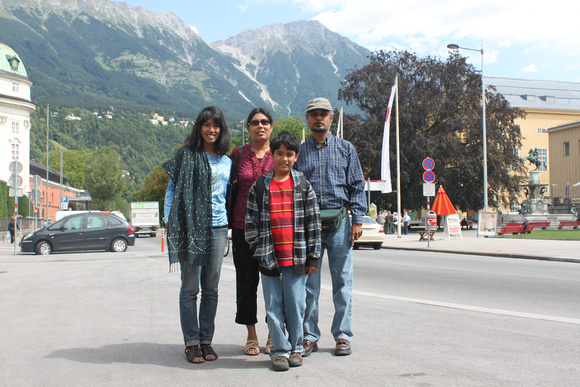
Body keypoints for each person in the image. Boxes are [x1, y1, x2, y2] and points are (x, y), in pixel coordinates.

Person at [295, 97, 367, 357]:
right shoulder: (298, 152)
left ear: (331, 118)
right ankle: (309, 336)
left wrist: (358, 220)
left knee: (343, 282)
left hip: (340, 223)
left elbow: (357, 185)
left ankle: (343, 336)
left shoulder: (346, 148)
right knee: (308, 285)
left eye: (324, 113)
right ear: (307, 118)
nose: (319, 118)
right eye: (313, 114)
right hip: (309, 226)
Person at [245, 131, 321, 371]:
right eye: (280, 154)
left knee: (297, 304)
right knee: (273, 305)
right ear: (272, 155)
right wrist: (259, 250)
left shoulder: (303, 185)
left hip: (296, 258)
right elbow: (250, 224)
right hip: (269, 258)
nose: (284, 159)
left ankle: (296, 347)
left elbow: (313, 224)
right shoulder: (260, 186)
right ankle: (279, 351)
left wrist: (314, 256)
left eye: (289, 154)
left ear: (296, 156)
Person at [162, 106, 232, 364]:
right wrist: (169, 219)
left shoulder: (227, 161)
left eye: (216, 125)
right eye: (206, 125)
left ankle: (206, 341)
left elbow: (227, 196)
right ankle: (191, 343)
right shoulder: (185, 155)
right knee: (190, 288)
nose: (211, 130)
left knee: (211, 288)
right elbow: (172, 189)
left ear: (221, 129)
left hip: (218, 228)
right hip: (191, 227)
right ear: (199, 127)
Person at [229, 107, 275, 356]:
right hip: (241, 227)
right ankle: (251, 334)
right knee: (246, 283)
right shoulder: (238, 154)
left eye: (265, 121)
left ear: (271, 126)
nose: (260, 125)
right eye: (255, 122)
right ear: (248, 128)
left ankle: (272, 333)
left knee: (272, 283)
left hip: (272, 229)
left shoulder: (278, 152)